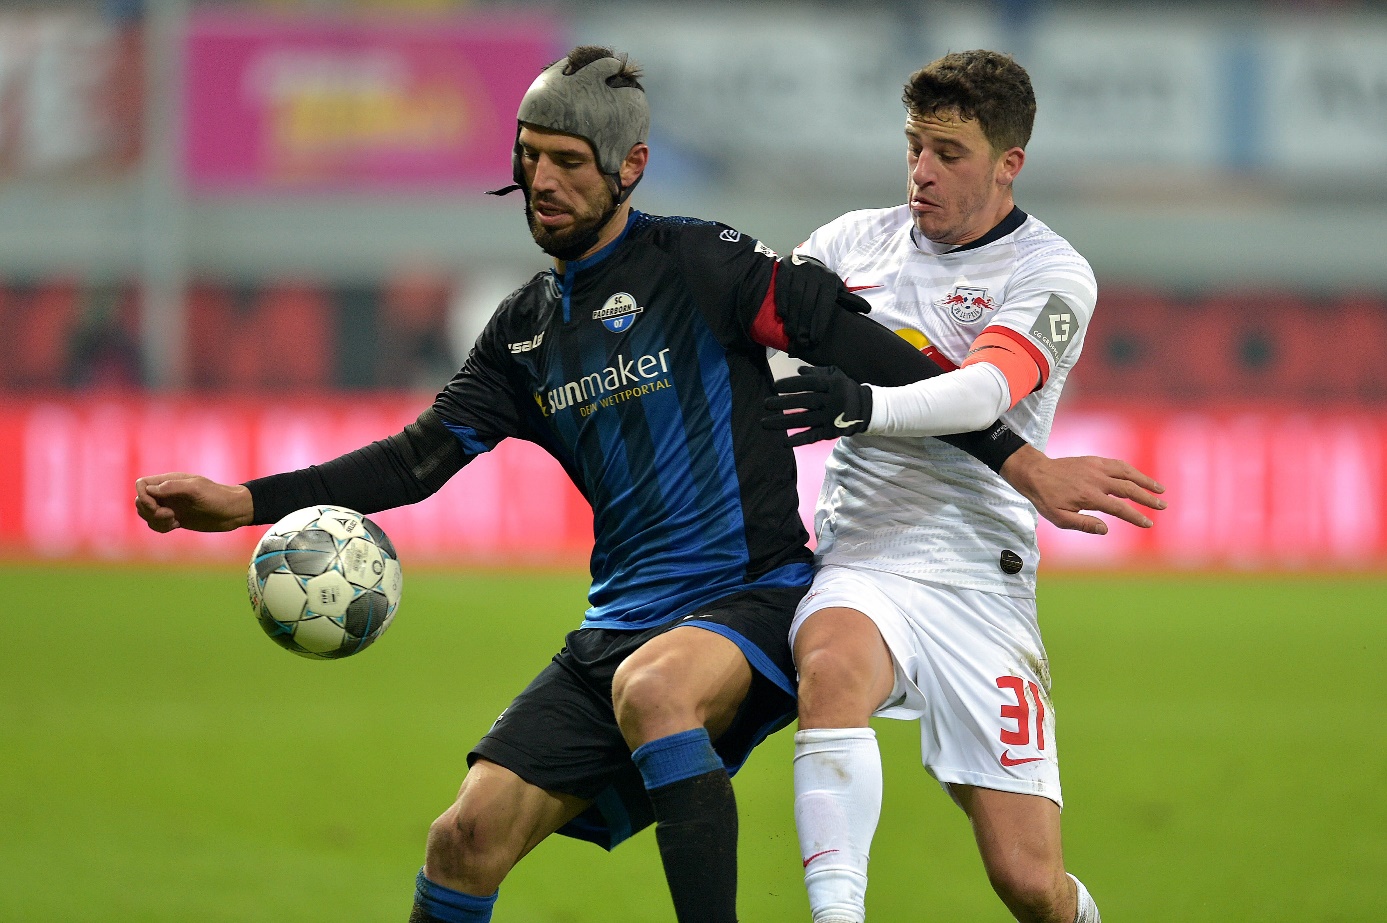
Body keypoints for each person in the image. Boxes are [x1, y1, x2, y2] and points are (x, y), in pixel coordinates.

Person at [136, 47, 1160, 923]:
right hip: (618, 622)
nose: (542, 181)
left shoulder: (706, 264)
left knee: (666, 691)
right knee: (463, 837)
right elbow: (415, 458)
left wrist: (1017, 459)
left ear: (627, 168)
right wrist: (245, 501)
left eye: (566, 162)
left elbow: (868, 352)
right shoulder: (523, 333)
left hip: (753, 597)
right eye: (528, 158)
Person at [764, 50, 1155, 923]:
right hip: (864, 553)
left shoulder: (1051, 273)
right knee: (829, 667)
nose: (921, 172)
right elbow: (759, 342)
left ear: (1008, 163)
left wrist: (862, 402)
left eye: (948, 153)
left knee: (1028, 882)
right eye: (913, 147)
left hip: (981, 577)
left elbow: (983, 392)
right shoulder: (846, 244)